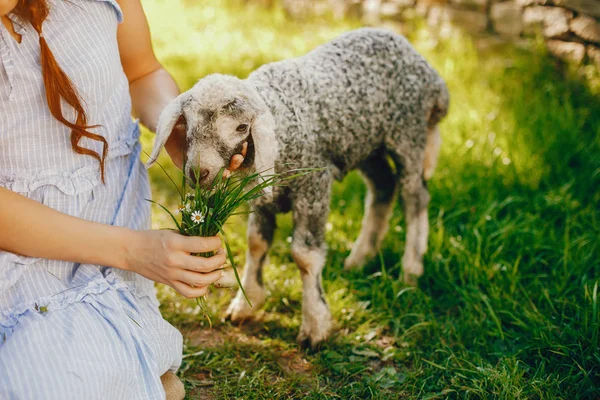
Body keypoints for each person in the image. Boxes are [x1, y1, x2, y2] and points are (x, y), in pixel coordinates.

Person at [0, 0, 243, 398]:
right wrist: (134, 251)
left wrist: (178, 132)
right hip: (16, 260)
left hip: (104, 248)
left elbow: (142, 72)